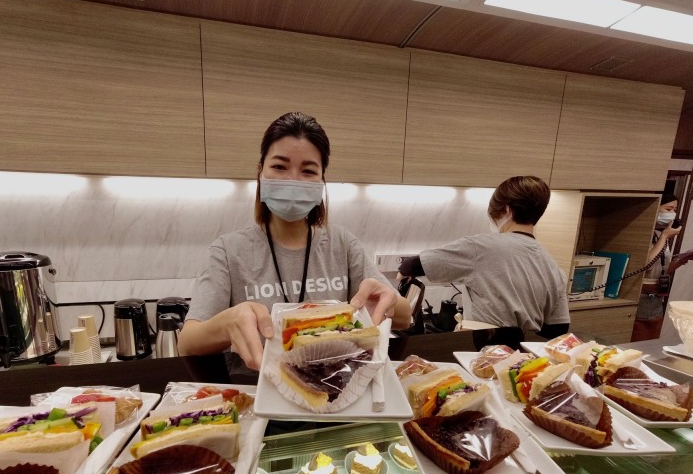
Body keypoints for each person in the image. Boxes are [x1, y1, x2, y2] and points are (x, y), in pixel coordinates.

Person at [178, 112, 411, 370]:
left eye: (308, 171)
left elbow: (404, 316)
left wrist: (387, 302)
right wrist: (227, 323)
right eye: (279, 166)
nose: (292, 180)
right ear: (260, 172)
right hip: (258, 392)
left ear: (321, 181)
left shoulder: (342, 244)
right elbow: (187, 344)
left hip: (335, 387)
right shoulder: (229, 250)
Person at [397, 175, 569, 339]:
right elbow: (558, 328)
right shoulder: (552, 265)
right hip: (524, 357)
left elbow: (414, 265)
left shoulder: (481, 247)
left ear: (507, 210)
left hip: (482, 348)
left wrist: (402, 272)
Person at [632, 192, 683, 341]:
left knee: (651, 338)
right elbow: (646, 266)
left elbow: (661, 268)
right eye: (668, 209)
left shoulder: (659, 234)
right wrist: (665, 236)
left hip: (656, 297)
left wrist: (677, 263)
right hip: (640, 294)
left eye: (674, 210)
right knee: (638, 338)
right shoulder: (645, 235)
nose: (672, 214)